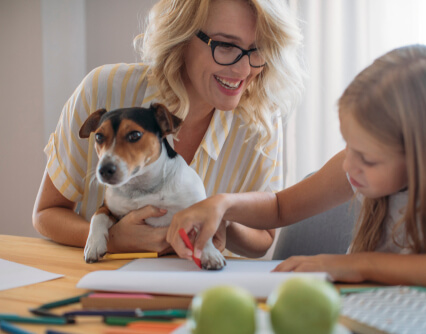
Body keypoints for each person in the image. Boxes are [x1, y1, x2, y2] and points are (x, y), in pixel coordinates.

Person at [167, 44, 426, 303]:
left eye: (367, 158)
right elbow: (281, 208)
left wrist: (358, 265)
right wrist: (222, 204)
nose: (348, 165)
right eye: (348, 145)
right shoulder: (364, 161)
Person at [32, 0, 303, 258]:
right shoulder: (102, 90)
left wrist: (223, 220)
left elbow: (263, 240)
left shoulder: (259, 122)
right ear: (182, 36)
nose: (244, 68)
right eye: (225, 46)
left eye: (258, 49)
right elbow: (46, 213)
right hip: (101, 284)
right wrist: (113, 239)